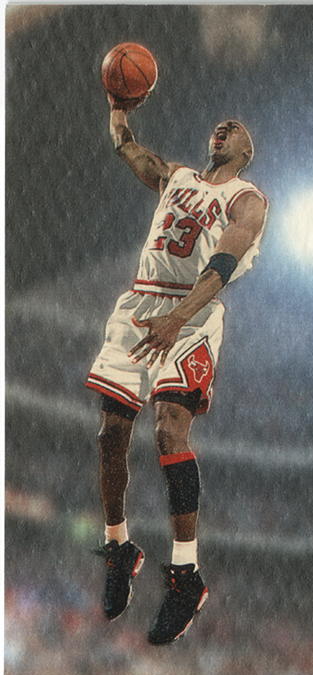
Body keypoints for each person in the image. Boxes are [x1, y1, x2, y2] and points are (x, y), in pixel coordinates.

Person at [86, 92, 268, 645]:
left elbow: (222, 264)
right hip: (141, 302)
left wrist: (178, 318)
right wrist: (118, 106)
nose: (225, 125)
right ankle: (120, 547)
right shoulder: (178, 176)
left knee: (169, 431)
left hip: (193, 315)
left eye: (235, 126)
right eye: (221, 123)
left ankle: (186, 575)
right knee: (111, 435)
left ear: (247, 152)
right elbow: (127, 148)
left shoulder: (247, 199)